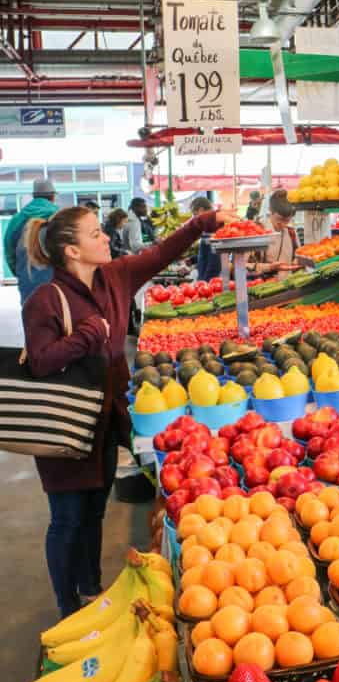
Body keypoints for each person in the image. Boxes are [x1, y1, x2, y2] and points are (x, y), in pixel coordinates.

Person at [21, 203, 237, 617]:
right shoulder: (45, 301)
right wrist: (89, 334)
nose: (105, 237)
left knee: (94, 511)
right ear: (71, 250)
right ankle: (69, 608)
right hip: (65, 426)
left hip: (105, 421)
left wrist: (204, 222)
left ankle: (91, 588)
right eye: (94, 233)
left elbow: (162, 253)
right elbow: (40, 362)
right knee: (67, 518)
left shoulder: (116, 278)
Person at [3, 179, 58, 305]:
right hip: (57, 282)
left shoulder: (17, 219)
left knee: (32, 318)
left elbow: (9, 251)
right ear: (53, 196)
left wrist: (20, 273)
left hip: (27, 282)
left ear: (34, 196)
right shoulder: (59, 216)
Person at [251, 189, 299, 278]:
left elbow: (297, 256)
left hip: (288, 285)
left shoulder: (291, 232)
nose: (284, 224)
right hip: (263, 286)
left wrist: (297, 260)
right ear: (270, 211)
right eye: (279, 219)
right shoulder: (257, 230)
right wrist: (269, 267)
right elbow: (243, 266)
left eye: (287, 220)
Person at [191, 196, 221, 280]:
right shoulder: (209, 225)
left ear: (200, 211)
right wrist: (192, 260)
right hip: (207, 279)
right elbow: (207, 253)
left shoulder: (214, 225)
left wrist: (206, 282)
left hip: (209, 281)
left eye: (194, 215)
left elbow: (215, 260)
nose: (194, 219)